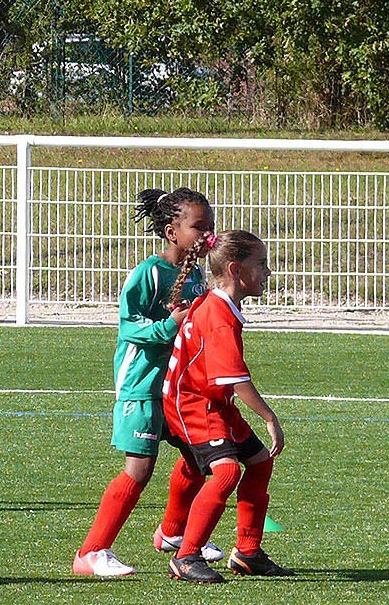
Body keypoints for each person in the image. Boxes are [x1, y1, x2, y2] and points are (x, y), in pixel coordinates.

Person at [72, 187, 224, 576]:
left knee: (196, 458)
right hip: (141, 386)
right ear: (173, 233)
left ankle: (172, 533)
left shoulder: (195, 277)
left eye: (211, 227)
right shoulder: (150, 272)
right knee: (139, 469)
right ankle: (91, 553)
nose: (208, 235)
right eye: (199, 227)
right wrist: (169, 324)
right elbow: (129, 326)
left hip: (176, 389)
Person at [160, 229, 293, 584]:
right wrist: (270, 417)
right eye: (261, 264)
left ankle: (248, 553)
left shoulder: (218, 302)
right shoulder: (219, 316)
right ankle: (186, 557)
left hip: (211, 400)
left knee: (260, 463)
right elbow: (235, 379)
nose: (268, 273)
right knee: (227, 473)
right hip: (192, 403)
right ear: (236, 270)